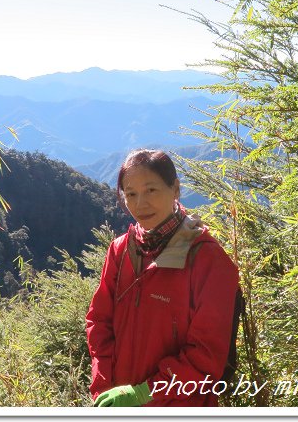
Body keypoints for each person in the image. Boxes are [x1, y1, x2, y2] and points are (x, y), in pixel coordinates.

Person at [85, 149, 240, 407]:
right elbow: (99, 322)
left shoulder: (207, 260)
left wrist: (144, 393)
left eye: (151, 190)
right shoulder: (121, 251)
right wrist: (103, 388)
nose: (140, 204)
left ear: (175, 189)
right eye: (131, 194)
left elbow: (206, 355)